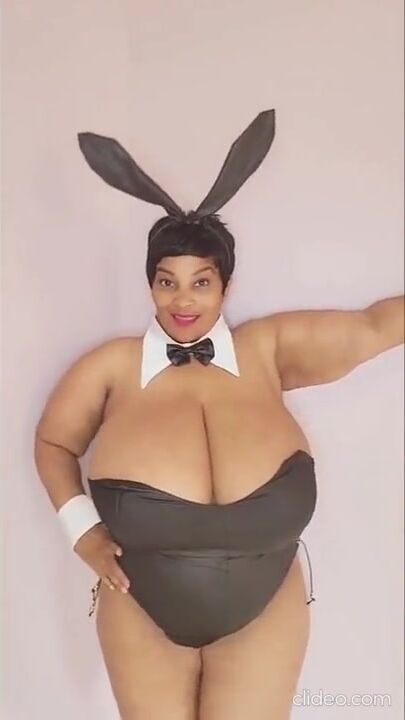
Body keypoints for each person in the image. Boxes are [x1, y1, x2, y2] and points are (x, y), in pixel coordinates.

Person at [34, 110, 404, 720]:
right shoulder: (110, 366)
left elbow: (371, 328)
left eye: (200, 283)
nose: (183, 300)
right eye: (167, 282)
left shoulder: (269, 348)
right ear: (151, 286)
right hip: (140, 603)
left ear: (225, 287)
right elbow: (53, 443)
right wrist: (83, 534)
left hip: (267, 606)